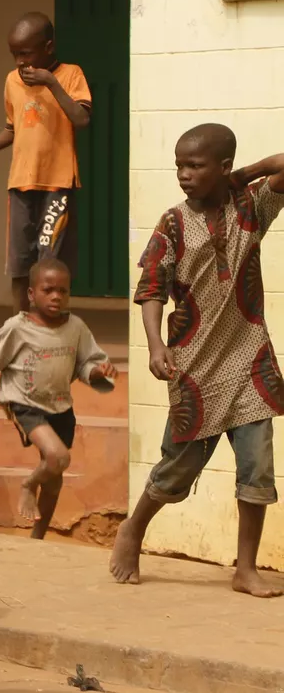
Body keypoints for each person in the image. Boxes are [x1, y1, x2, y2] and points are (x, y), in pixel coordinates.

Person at [111, 123, 284, 598]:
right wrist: (155, 345)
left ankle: (245, 569)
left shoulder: (250, 208)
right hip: (194, 367)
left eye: (196, 165)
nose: (184, 175)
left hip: (250, 360)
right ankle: (134, 529)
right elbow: (150, 289)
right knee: (178, 467)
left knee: (258, 467)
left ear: (224, 167)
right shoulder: (172, 223)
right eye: (179, 166)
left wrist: (243, 176)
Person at [0, 258, 115, 539]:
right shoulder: (17, 327)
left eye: (63, 291)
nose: (56, 297)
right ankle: (27, 485)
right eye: (48, 290)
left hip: (60, 405)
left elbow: (85, 364)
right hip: (24, 403)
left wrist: (98, 371)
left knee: (55, 475)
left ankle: (38, 535)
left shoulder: (76, 327)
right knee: (57, 456)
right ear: (31, 294)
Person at [0, 12, 91, 313]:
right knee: (20, 263)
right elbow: (13, 126)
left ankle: (51, 327)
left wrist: (51, 84)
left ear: (48, 47)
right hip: (21, 183)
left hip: (57, 183)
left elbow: (82, 118)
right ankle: (21, 325)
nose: (20, 61)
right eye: (14, 54)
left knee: (50, 261)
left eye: (25, 53)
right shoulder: (12, 81)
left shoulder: (71, 75)